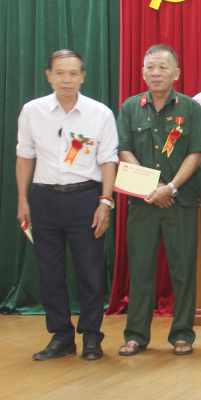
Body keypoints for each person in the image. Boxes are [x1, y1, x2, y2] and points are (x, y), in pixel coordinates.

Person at [16, 50, 118, 361]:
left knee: (89, 270)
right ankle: (60, 336)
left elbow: (108, 160)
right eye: (60, 73)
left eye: (73, 73)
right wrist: (23, 199)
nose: (66, 79)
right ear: (48, 75)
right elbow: (25, 155)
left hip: (86, 198)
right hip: (44, 199)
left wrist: (105, 201)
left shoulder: (99, 113)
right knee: (49, 272)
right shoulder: (32, 111)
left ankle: (91, 337)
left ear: (83, 76)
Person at [116, 45, 201, 356]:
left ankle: (182, 334)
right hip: (143, 202)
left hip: (180, 203)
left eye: (162, 68)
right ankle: (136, 335)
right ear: (143, 72)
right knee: (140, 269)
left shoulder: (191, 108)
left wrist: (170, 188)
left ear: (176, 73)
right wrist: (153, 187)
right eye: (150, 68)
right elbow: (124, 151)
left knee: (182, 269)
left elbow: (196, 153)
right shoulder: (130, 107)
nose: (155, 73)